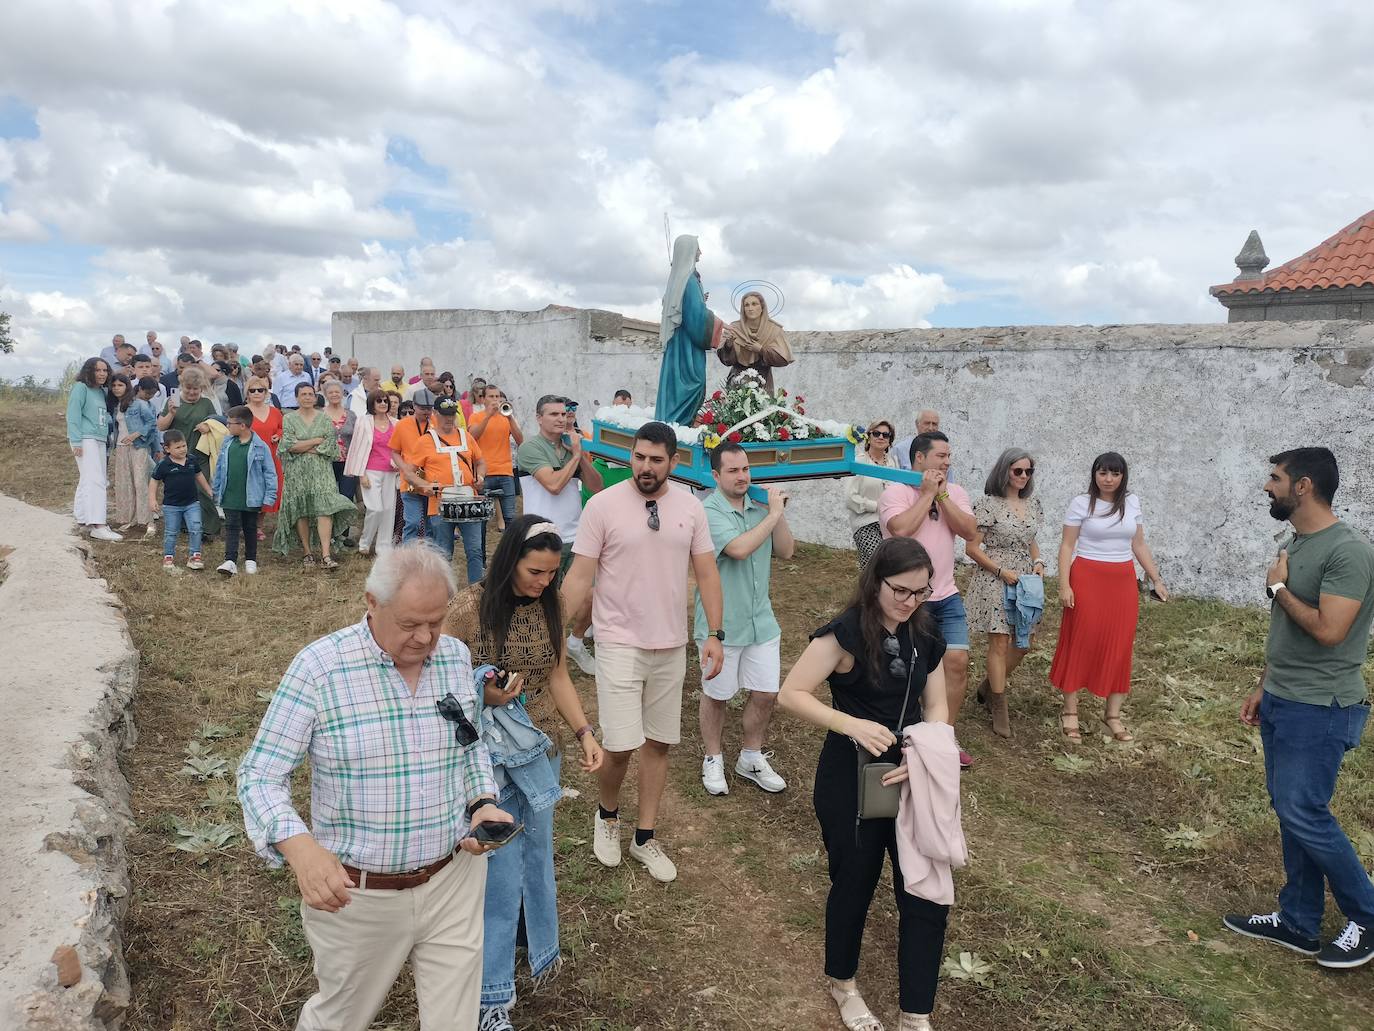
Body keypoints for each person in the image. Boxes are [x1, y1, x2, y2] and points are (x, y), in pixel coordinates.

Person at [237, 544, 514, 1030]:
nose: (426, 637)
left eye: (435, 620)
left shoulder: (454, 657)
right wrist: (301, 849)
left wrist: (483, 803)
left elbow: (469, 746)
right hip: (358, 896)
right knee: (340, 1018)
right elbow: (259, 775)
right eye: (409, 624)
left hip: (454, 879)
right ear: (371, 601)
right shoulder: (320, 669)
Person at [778, 537, 951, 1031]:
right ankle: (843, 984)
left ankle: (916, 1011)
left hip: (912, 774)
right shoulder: (844, 634)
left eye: (920, 591)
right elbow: (792, 693)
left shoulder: (924, 632)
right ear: (876, 581)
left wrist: (924, 747)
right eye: (901, 590)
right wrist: (851, 724)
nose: (910, 601)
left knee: (923, 890)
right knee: (854, 882)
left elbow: (935, 704)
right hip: (851, 776)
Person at [445, 515, 606, 1029]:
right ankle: (490, 998)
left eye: (551, 573)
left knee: (533, 856)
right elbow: (440, 684)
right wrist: (484, 694)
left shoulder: (552, 604)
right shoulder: (469, 608)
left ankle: (528, 942)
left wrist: (584, 733)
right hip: (486, 756)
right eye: (535, 572)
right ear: (509, 560)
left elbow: (556, 673)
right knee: (496, 869)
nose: (543, 583)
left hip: (538, 749)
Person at [1222, 447, 1374, 969]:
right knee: (1291, 811)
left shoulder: (1348, 551)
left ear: (1303, 486)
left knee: (1304, 811)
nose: (1268, 486)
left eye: (1275, 478)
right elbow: (1288, 631)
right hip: (1286, 698)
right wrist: (1266, 684)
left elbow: (1331, 631)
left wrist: (1278, 587)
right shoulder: (1298, 540)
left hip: (1322, 706)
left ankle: (1369, 915)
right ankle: (1299, 921)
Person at [562, 421, 725, 882]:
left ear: (674, 461)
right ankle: (608, 816)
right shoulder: (602, 505)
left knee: (659, 743)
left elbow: (708, 574)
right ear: (630, 456)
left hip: (670, 643)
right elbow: (580, 576)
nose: (646, 467)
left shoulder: (691, 508)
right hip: (617, 641)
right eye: (639, 457)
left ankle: (644, 837)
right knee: (618, 745)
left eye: (656, 459)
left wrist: (716, 632)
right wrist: (556, 630)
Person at [695, 443, 795, 796]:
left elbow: (786, 550)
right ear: (716, 475)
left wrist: (775, 512)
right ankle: (713, 758)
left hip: (761, 621)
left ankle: (750, 756)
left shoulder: (759, 509)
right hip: (721, 625)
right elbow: (738, 549)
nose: (742, 476)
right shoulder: (708, 511)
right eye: (733, 471)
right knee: (717, 695)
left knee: (767, 693)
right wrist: (771, 515)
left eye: (746, 469)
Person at [1048, 452, 1166, 742]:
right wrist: (1064, 585)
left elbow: (1138, 544)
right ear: (1095, 475)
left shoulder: (1133, 503)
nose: (1109, 479)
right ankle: (1070, 712)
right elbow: (1066, 546)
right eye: (1103, 473)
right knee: (1081, 640)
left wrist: (1156, 578)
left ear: (1123, 476)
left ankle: (1112, 715)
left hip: (1122, 581)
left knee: (1120, 643)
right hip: (1087, 577)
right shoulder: (1080, 503)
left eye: (1115, 474)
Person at [879, 432, 977, 768]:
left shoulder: (957, 492)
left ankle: (943, 737)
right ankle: (906, 732)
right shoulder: (895, 491)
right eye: (940, 457)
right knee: (905, 668)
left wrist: (943, 495)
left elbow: (969, 531)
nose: (947, 463)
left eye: (949, 457)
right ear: (919, 459)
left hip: (946, 596)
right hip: (907, 598)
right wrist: (926, 495)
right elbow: (900, 529)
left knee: (957, 663)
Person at [515, 395, 604, 673]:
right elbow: (553, 484)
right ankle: (536, 649)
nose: (561, 419)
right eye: (553, 414)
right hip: (542, 535)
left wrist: (581, 456)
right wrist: (575, 456)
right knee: (541, 597)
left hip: (576, 535)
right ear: (539, 418)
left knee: (593, 593)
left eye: (564, 414)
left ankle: (575, 641)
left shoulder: (570, 447)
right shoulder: (530, 447)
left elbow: (596, 486)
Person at [964, 449, 1044, 739]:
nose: (1023, 476)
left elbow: (1030, 538)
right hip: (995, 577)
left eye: (1028, 471)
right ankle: (999, 704)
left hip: (1024, 579)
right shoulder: (988, 504)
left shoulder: (1032, 503)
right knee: (999, 642)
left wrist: (1038, 562)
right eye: (1017, 471)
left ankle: (987, 686)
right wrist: (1000, 571)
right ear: (1004, 471)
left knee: (1023, 642)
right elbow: (972, 548)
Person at [396, 396, 487, 583]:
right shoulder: (425, 441)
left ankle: (477, 592)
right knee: (443, 552)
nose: (449, 419)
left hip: (468, 501)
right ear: (435, 414)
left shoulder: (465, 436)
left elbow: (480, 461)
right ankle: (445, 593)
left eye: (452, 415)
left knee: (475, 550)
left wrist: (481, 477)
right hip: (440, 504)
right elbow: (409, 472)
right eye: (445, 415)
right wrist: (424, 486)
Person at [272, 382, 355, 569]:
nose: (308, 397)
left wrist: (305, 446)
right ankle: (307, 552)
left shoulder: (324, 418)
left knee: (324, 508)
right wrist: (316, 441)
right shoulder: (289, 419)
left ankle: (326, 554)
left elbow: (330, 446)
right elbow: (289, 446)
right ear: (297, 397)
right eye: (304, 394)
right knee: (302, 508)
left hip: (321, 470)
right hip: (297, 471)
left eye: (311, 394)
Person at [654, 234, 729, 426]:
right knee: (692, 383)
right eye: (697, 248)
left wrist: (699, 300)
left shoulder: (678, 280)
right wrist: (721, 326)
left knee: (676, 388)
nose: (700, 253)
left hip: (677, 346)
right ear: (689, 251)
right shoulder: (689, 281)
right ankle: (677, 428)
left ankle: (672, 423)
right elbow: (697, 318)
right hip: (686, 349)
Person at [156, 365, 224, 540]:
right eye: (189, 389)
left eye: (196, 389)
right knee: (181, 489)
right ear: (182, 387)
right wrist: (171, 413)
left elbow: (218, 423)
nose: (193, 392)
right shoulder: (173, 401)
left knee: (202, 489)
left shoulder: (206, 403)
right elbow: (161, 426)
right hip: (177, 455)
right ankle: (185, 525)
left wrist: (207, 426)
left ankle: (209, 527)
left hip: (200, 453)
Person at [212, 406, 279, 576]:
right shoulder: (227, 443)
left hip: (251, 496)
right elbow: (220, 467)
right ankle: (230, 560)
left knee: (250, 527)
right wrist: (217, 489)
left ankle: (251, 559)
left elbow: (270, 472)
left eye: (230, 423)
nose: (227, 426)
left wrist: (270, 496)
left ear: (242, 425)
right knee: (232, 526)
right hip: (230, 494)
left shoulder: (259, 446)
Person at [67, 357, 122, 542]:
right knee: (97, 480)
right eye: (98, 370)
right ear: (89, 371)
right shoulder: (81, 387)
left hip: (99, 439)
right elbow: (73, 415)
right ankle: (98, 525)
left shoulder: (101, 391)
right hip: (85, 438)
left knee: (87, 479)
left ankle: (82, 519)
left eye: (105, 370)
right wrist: (76, 442)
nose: (102, 374)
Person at [344, 390, 399, 557]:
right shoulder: (363, 422)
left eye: (385, 401)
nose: (383, 403)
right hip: (370, 470)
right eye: (379, 401)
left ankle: (384, 547)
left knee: (389, 510)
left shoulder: (396, 423)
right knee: (375, 508)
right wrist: (361, 474)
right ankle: (365, 542)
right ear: (372, 404)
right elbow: (357, 448)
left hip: (391, 471)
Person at [149, 429, 213, 572]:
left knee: (196, 528)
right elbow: (154, 481)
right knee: (171, 532)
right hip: (171, 506)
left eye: (184, 445)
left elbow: (199, 474)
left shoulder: (191, 460)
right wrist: (152, 499)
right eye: (177, 447)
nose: (182, 449)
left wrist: (208, 489)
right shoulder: (164, 464)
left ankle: (195, 557)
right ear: (167, 449)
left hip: (192, 503)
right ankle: (168, 557)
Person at [469, 383, 523, 536]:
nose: (495, 400)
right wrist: (488, 416)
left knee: (510, 518)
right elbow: (473, 436)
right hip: (484, 473)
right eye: (491, 396)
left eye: (497, 396)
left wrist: (510, 417)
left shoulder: (506, 417)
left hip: (506, 472)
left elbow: (520, 440)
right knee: (481, 520)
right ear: (483, 399)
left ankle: (510, 555)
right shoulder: (476, 416)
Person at [719, 289, 794, 393]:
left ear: (762, 307)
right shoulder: (734, 328)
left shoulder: (773, 329)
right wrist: (729, 345)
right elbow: (727, 360)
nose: (750, 308)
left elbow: (782, 359)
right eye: (746, 305)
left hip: (763, 382)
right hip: (737, 381)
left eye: (754, 304)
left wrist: (761, 350)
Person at [109, 373, 158, 532]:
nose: (117, 388)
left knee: (140, 482)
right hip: (121, 447)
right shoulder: (117, 405)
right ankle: (129, 518)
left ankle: (148, 520)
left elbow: (152, 422)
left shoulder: (137, 404)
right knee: (125, 484)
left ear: (127, 386)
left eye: (120, 385)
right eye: (114, 385)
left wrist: (137, 434)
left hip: (137, 447)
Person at [848, 420, 899, 566]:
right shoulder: (859, 461)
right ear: (869, 437)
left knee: (874, 570)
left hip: (889, 523)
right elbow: (850, 498)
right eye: (876, 433)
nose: (881, 437)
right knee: (879, 563)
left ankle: (868, 589)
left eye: (885, 435)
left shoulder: (893, 463)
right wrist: (876, 506)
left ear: (890, 440)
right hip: (866, 523)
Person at [390, 388, 438, 544]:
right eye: (423, 408)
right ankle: (407, 556)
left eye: (429, 408)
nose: (427, 412)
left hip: (432, 480)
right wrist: (404, 468)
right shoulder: (402, 425)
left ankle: (430, 557)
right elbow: (395, 452)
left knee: (432, 524)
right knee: (413, 522)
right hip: (409, 481)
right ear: (414, 407)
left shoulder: (437, 424)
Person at [244, 375, 284, 521]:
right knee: (253, 488)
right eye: (252, 390)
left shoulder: (275, 412)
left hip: (272, 455)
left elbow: (282, 428)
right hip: (250, 456)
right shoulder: (243, 412)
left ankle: (259, 524)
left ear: (266, 392)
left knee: (270, 487)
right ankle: (250, 523)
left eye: (260, 390)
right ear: (247, 393)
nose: (256, 393)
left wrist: (279, 435)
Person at [322, 380, 358, 503]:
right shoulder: (319, 415)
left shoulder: (351, 415)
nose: (334, 395)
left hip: (348, 463)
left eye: (337, 392)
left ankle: (345, 521)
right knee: (327, 496)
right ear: (325, 395)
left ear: (342, 393)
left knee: (347, 496)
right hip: (326, 461)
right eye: (330, 392)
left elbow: (357, 438)